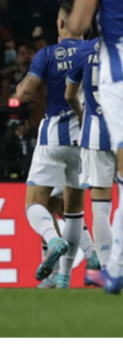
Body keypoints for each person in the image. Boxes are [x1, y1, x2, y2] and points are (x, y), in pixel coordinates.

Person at [68, 0, 123, 293]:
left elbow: (80, 25)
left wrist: (73, 17)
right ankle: (115, 267)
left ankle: (114, 267)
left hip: (117, 77)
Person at [15, 0, 85, 289]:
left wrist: (23, 91)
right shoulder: (96, 51)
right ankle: (64, 277)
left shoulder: (47, 54)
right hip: (86, 140)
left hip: (54, 137)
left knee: (34, 204)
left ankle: (52, 240)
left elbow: (22, 94)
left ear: (60, 23)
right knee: (74, 212)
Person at [65, 38, 113, 276]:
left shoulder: (84, 50)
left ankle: (105, 269)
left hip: (95, 133)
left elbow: (70, 94)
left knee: (101, 207)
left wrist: (82, 114)